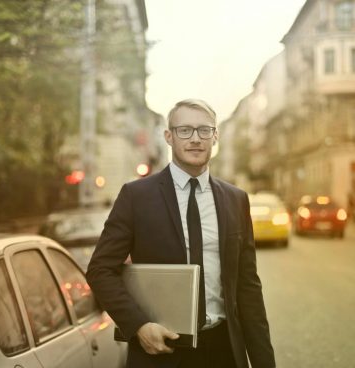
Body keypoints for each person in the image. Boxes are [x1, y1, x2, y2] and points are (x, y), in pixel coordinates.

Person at [86, 99, 275, 368]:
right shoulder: (136, 196)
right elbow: (100, 269)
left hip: (224, 350)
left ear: (215, 136)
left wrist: (263, 362)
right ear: (169, 137)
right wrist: (138, 325)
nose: (195, 139)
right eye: (185, 130)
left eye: (204, 130)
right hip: (161, 349)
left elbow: (248, 287)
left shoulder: (236, 199)